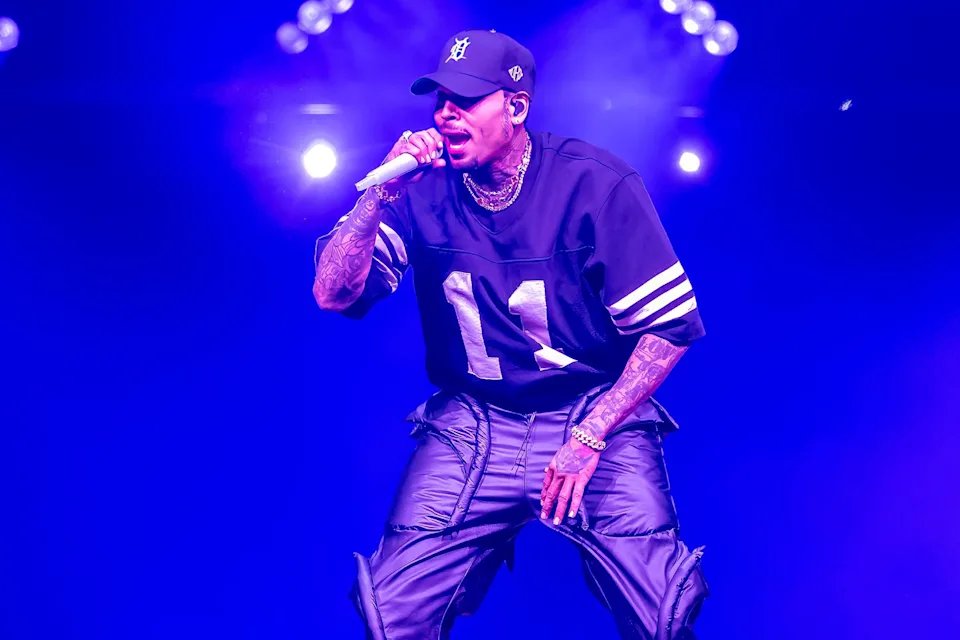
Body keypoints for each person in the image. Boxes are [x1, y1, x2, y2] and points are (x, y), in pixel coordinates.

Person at [313, 29, 708, 640]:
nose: (447, 114)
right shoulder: (419, 188)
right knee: (392, 611)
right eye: (441, 100)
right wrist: (377, 198)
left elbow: (670, 327)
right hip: (474, 417)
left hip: (589, 410)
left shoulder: (594, 182)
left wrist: (593, 432)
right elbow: (333, 293)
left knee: (662, 610)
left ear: (517, 107)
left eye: (467, 100)